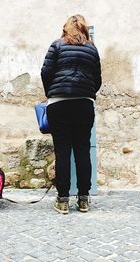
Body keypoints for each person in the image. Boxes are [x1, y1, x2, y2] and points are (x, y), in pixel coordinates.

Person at [41, 14, 102, 214]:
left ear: (66, 28)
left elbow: (45, 72)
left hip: (59, 104)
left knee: (63, 152)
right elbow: (97, 78)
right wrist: (86, 92)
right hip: (84, 104)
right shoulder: (92, 48)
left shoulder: (56, 45)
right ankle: (83, 199)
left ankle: (63, 200)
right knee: (83, 151)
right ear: (84, 29)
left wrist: (52, 91)